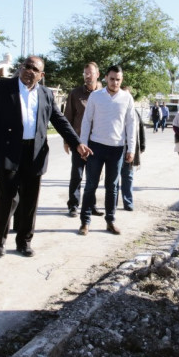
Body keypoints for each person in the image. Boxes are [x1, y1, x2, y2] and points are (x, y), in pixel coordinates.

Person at [0, 56, 91, 258]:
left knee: (30, 200)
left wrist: (77, 144)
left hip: (35, 153)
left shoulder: (46, 94)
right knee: (7, 198)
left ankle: (24, 241)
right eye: (25, 66)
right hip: (9, 151)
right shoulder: (4, 88)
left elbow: (60, 121)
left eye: (34, 68)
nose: (28, 70)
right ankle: (0, 240)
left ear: (41, 75)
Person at [77, 65, 136, 236]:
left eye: (118, 79)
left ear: (121, 80)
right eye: (112, 79)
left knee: (112, 187)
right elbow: (87, 121)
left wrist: (131, 149)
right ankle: (85, 222)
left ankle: (110, 220)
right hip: (95, 147)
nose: (115, 82)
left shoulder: (127, 98)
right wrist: (83, 144)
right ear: (105, 78)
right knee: (90, 185)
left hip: (117, 148)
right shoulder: (96, 96)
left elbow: (131, 125)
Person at [62, 62, 104, 218]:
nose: (87, 76)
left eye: (90, 73)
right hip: (79, 142)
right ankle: (73, 205)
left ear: (97, 74)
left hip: (98, 142)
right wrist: (67, 141)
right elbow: (67, 118)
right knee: (77, 174)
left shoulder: (103, 95)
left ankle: (91, 204)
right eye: (85, 73)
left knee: (94, 176)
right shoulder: (75, 94)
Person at [117, 91, 146, 211]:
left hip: (130, 148)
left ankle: (128, 202)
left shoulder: (135, 113)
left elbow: (141, 130)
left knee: (128, 176)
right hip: (116, 147)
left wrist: (142, 145)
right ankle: (112, 202)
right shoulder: (116, 110)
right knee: (113, 177)